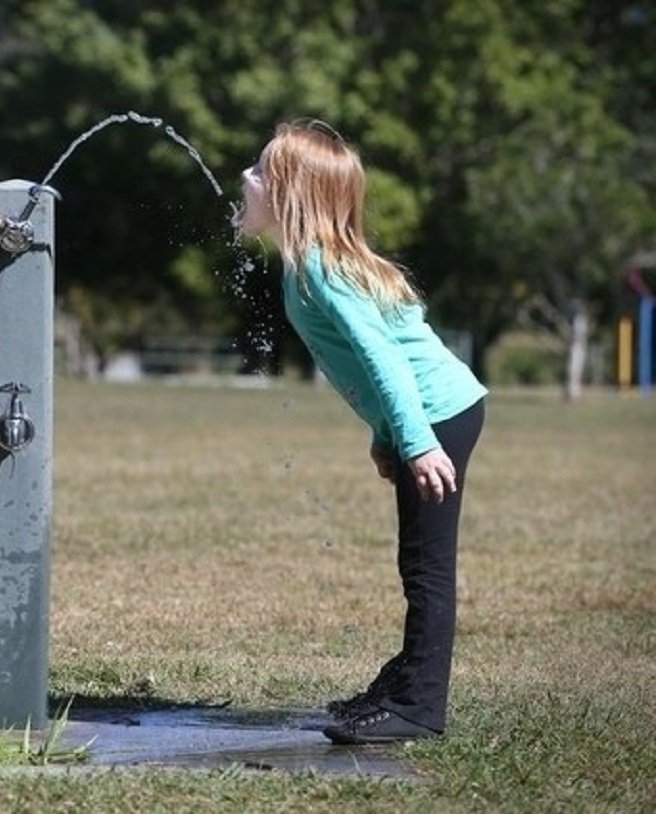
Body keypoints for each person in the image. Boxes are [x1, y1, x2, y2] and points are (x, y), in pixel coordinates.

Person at [234, 121, 487, 745]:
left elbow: (385, 359)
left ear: (291, 195)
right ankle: (401, 687)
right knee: (416, 562)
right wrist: (387, 436)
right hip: (425, 419)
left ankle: (420, 708)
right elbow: (375, 360)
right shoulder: (308, 264)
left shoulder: (319, 267)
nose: (247, 178)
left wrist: (417, 440)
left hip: (437, 417)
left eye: (262, 172)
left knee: (427, 567)